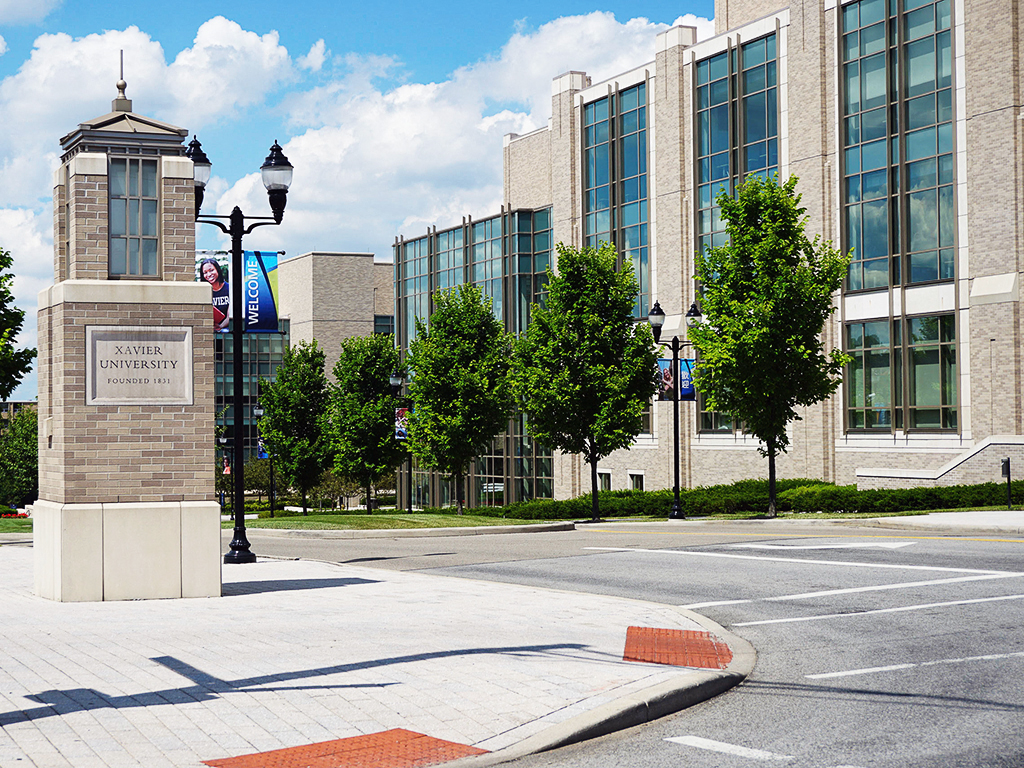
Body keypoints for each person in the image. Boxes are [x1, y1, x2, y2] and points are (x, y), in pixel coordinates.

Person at [199, 258, 230, 331]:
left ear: (218, 270)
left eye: (211, 270)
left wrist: (220, 326)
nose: (209, 274)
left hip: (225, 327)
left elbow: (230, 316)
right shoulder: (203, 291)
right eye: (205, 272)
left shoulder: (229, 289)